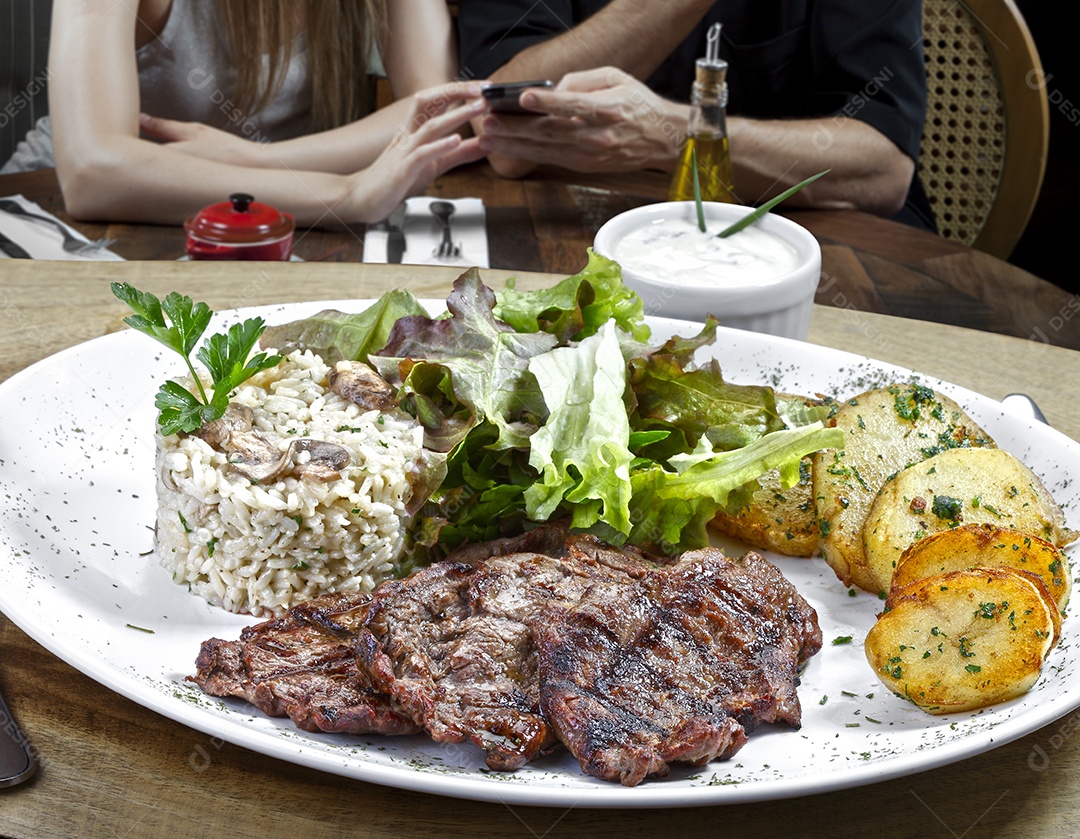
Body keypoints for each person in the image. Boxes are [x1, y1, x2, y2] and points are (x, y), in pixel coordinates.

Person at [456, 0, 935, 230]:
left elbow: (882, 169)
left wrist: (680, 136)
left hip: (815, 242)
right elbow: (503, 128)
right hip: (585, 232)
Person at [9, 0, 490, 226]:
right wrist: (341, 194)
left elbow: (438, 107)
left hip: (279, 224)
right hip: (76, 226)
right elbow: (95, 173)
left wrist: (259, 160)